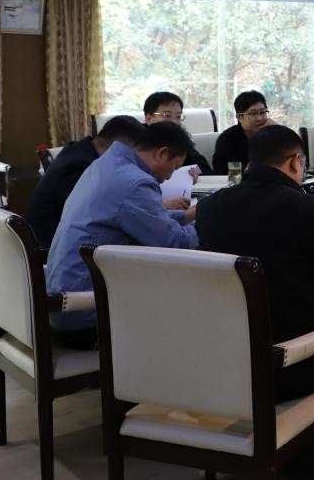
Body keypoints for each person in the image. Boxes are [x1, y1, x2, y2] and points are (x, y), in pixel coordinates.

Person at [196, 125, 314, 480]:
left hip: (222, 356)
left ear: (249, 164)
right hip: (288, 362)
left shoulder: (210, 208)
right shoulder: (305, 208)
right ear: (297, 162)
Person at [46, 121, 200, 348]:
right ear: (161, 153)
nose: (170, 177)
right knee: (190, 301)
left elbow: (139, 217)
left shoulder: (106, 164)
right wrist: (207, 224)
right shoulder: (136, 183)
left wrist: (186, 216)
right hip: (87, 315)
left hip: (63, 302)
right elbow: (174, 243)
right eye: (174, 167)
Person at [25, 115, 143, 248]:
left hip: (61, 239)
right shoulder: (81, 165)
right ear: (119, 147)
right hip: (50, 246)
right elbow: (107, 210)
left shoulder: (80, 150)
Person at [143, 91, 213, 174]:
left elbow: (204, 169)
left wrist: (193, 172)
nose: (174, 121)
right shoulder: (137, 139)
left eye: (178, 116)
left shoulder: (179, 138)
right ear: (149, 119)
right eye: (167, 115)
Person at [211, 90, 270, 172]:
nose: (259, 118)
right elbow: (224, 171)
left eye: (262, 112)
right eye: (253, 113)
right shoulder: (227, 139)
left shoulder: (271, 135)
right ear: (240, 117)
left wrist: (278, 129)